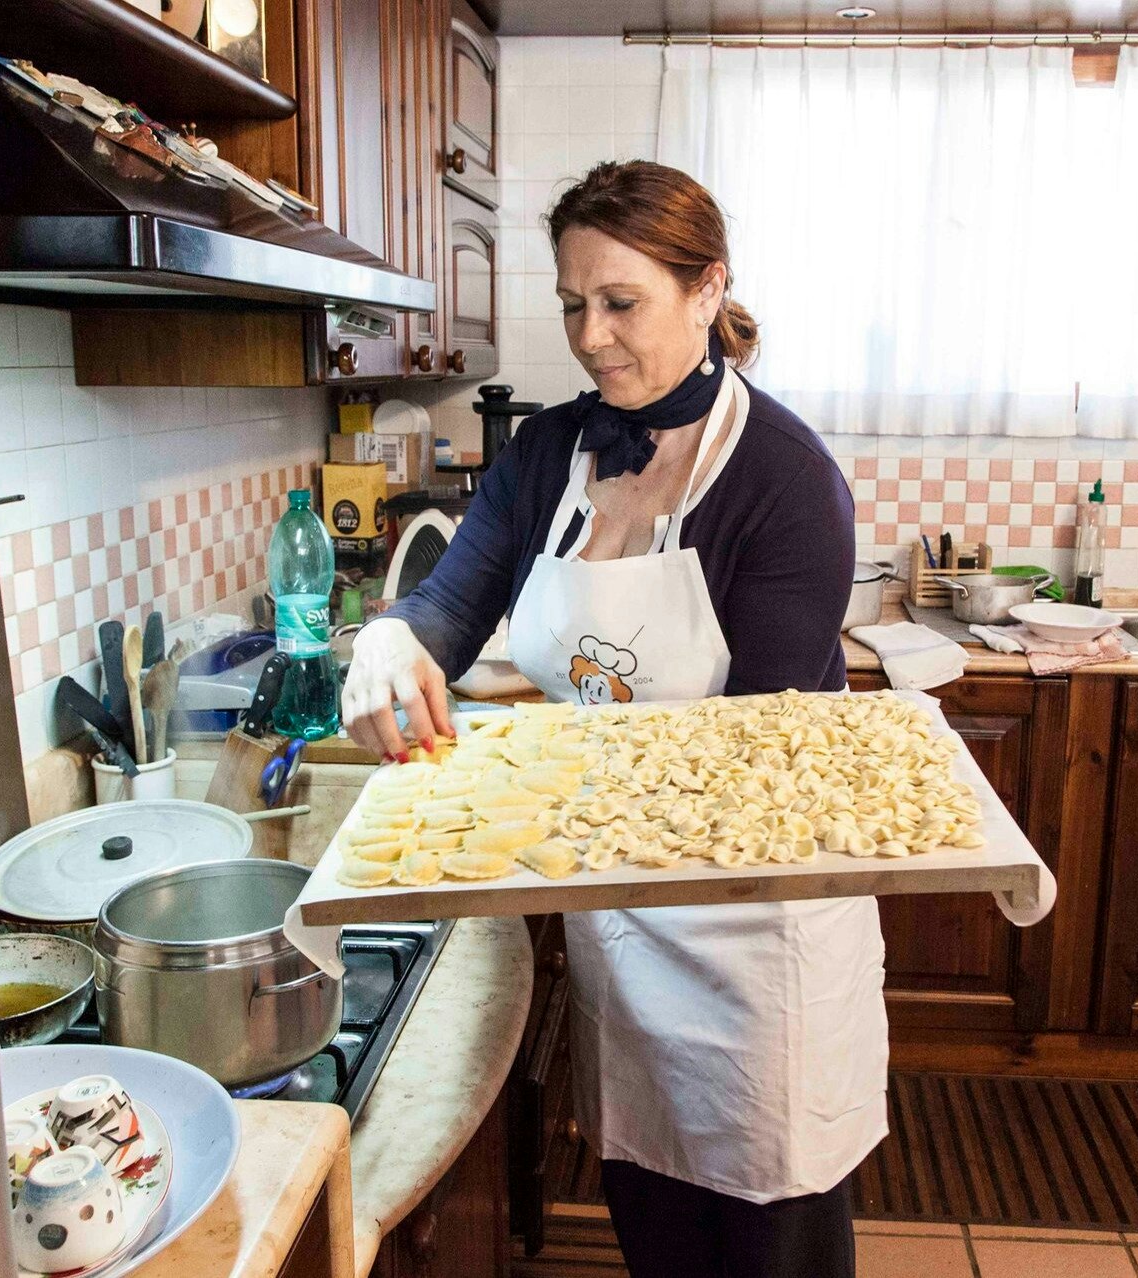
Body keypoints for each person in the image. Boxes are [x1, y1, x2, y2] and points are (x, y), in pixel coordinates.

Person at [342, 160, 882, 1278]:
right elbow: (454, 599)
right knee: (658, 1227)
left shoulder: (786, 481)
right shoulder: (550, 452)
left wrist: (549, 795)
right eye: (573, 305)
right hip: (623, 926)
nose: (590, 338)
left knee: (771, 1238)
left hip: (758, 931)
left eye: (621, 303)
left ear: (706, 289)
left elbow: (761, 754)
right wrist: (393, 637)